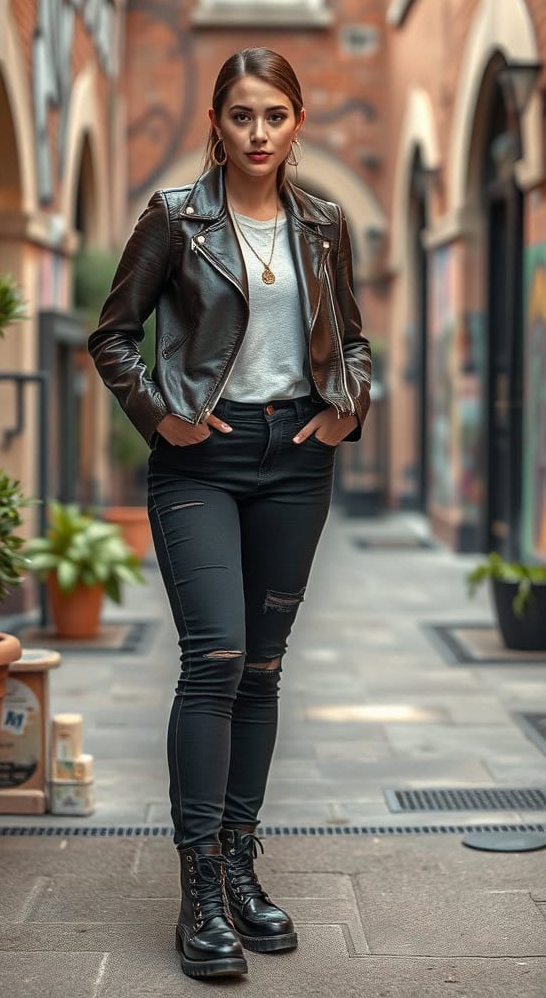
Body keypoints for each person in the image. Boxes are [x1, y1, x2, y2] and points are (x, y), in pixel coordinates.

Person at [88, 47, 371, 981]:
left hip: (296, 459)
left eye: (275, 116)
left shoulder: (324, 222)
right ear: (215, 123)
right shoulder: (176, 219)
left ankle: (242, 864)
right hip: (200, 459)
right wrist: (158, 415)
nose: (258, 134)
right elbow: (113, 332)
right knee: (213, 657)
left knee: (264, 665)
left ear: (298, 124)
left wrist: (346, 409)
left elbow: (353, 343)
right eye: (241, 115)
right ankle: (199, 884)